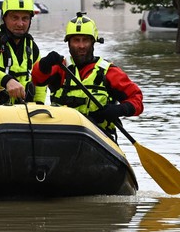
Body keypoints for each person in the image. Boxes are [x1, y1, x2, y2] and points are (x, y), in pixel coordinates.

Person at [31, 12, 143, 141]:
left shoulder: (109, 72)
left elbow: (137, 99)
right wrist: (45, 64)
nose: (81, 46)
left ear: (93, 42)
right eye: (76, 40)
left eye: (86, 40)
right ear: (68, 43)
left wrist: (121, 109)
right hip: (62, 136)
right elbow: (37, 79)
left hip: (99, 138)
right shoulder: (60, 68)